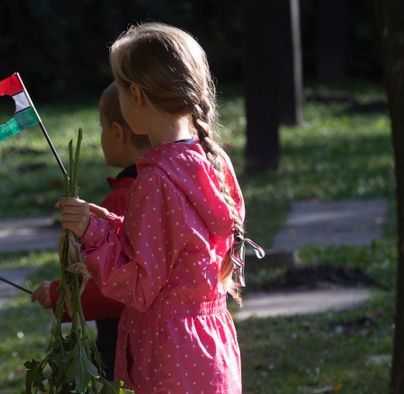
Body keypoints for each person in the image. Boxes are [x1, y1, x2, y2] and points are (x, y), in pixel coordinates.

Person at [56, 22, 259, 393]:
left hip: (168, 355)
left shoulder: (155, 179)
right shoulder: (212, 160)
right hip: (209, 346)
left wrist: (92, 233)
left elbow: (138, 286)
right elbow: (178, 246)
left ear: (134, 94)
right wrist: (116, 224)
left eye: (118, 84)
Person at [31, 81, 150, 380]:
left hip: (128, 343)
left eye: (101, 127)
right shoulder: (164, 184)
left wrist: (61, 296)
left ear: (117, 133)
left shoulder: (125, 197)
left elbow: (116, 286)